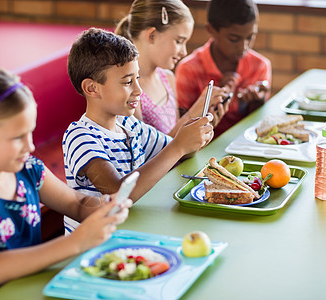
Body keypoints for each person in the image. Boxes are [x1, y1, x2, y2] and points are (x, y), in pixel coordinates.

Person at [0, 68, 131, 299]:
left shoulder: (28, 168)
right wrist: (76, 242)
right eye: (18, 137)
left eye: (30, 133)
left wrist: (105, 209)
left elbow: (77, 203)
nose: (30, 146)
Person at [63, 28, 214, 233]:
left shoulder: (130, 125)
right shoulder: (79, 136)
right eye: (127, 82)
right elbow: (118, 193)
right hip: (94, 245)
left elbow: (182, 153)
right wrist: (179, 145)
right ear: (92, 88)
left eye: (137, 79)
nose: (138, 90)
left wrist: (194, 136)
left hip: (133, 231)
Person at [115, 0, 228, 136]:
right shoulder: (129, 89)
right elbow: (146, 152)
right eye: (179, 41)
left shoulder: (168, 78)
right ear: (152, 35)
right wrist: (192, 113)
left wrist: (203, 124)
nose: (184, 52)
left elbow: (177, 147)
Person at [175, 0, 272, 138]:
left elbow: (259, 125)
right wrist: (213, 102)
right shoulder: (189, 69)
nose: (243, 47)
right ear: (211, 30)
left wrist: (257, 103)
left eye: (250, 37)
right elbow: (181, 129)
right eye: (234, 39)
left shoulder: (260, 66)